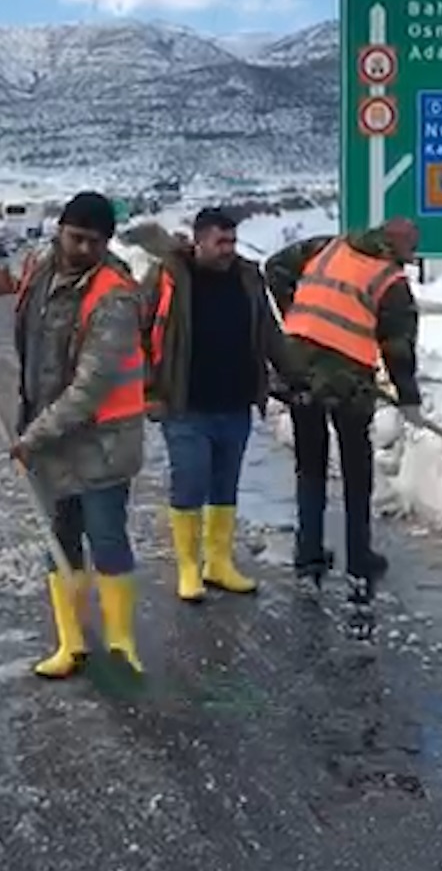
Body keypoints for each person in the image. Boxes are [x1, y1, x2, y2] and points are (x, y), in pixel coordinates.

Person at [0, 192, 148, 678]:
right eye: (76, 238)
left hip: (102, 443)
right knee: (58, 537)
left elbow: (89, 390)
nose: (84, 249)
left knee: (107, 539)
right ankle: (71, 643)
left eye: (95, 242)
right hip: (50, 438)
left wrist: (32, 437)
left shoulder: (115, 296)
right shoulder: (39, 265)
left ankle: (120, 644)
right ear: (60, 231)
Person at [264, 217, 422, 595]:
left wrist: (295, 315)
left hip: (298, 365)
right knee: (355, 468)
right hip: (348, 379)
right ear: (399, 245)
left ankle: (309, 556)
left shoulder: (328, 247)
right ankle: (359, 560)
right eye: (411, 248)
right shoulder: (391, 282)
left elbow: (275, 267)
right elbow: (398, 349)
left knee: (310, 462)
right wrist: (409, 398)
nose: (411, 256)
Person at [140, 207, 288, 602]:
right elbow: (140, 333)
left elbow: (268, 331)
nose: (228, 250)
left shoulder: (248, 277)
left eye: (232, 241)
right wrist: (149, 391)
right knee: (190, 482)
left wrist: (295, 372)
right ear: (199, 240)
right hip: (185, 403)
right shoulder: (169, 277)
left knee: (225, 485)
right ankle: (189, 567)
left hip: (235, 400)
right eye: (220, 242)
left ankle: (218, 562)